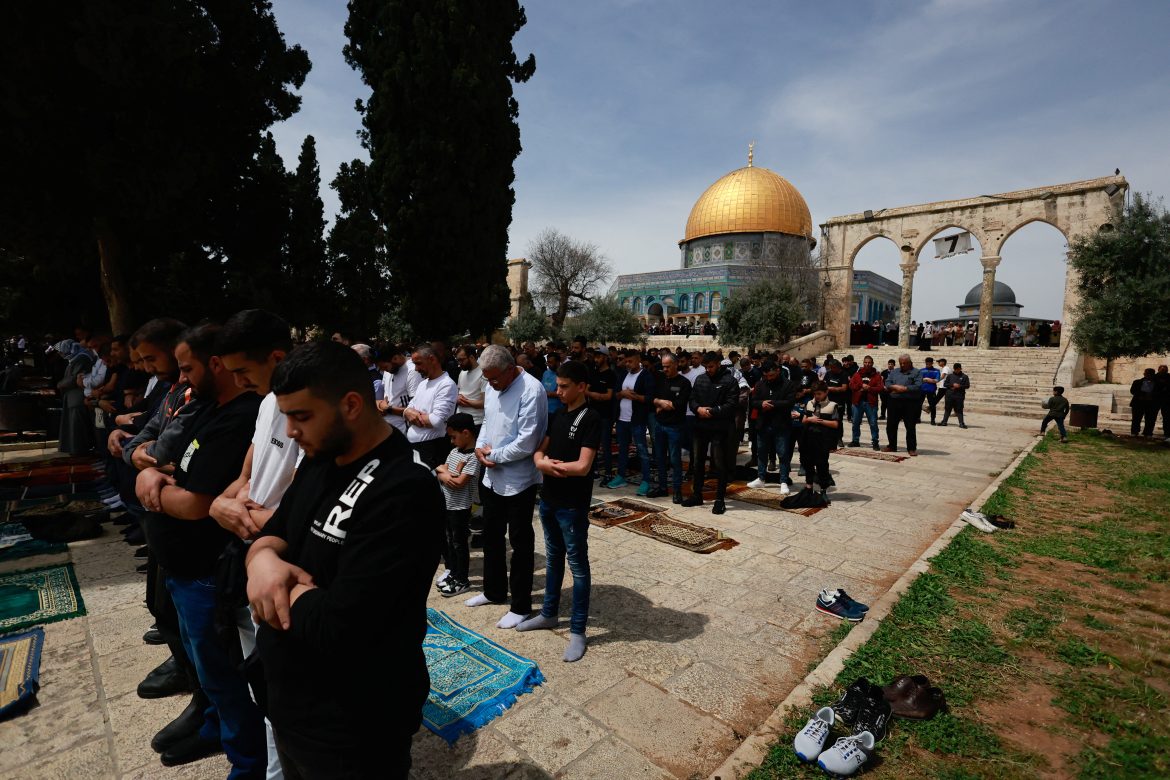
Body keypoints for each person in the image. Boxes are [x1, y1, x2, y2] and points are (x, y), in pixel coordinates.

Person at [246, 341, 442, 779]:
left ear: (351, 404)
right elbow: (277, 530)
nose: (291, 431)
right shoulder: (321, 458)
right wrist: (262, 559)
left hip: (353, 726)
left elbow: (341, 626)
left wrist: (277, 583)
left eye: (301, 416)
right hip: (290, 703)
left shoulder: (405, 488)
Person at [135, 324, 266, 775]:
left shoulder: (241, 415)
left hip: (207, 571)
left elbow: (197, 505)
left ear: (215, 365)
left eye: (187, 367)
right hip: (181, 567)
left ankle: (247, 762)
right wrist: (155, 471)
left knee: (225, 674)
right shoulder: (207, 407)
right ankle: (213, 726)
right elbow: (166, 458)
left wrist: (148, 485)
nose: (182, 377)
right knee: (202, 666)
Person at [208, 309, 298, 780]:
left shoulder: (305, 409)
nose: (239, 382)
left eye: (244, 371)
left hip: (283, 562)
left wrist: (249, 519)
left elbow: (308, 505)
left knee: (286, 690)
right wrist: (226, 501)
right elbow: (251, 469)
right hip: (251, 553)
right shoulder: (267, 403)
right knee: (260, 683)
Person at [517, 360, 600, 662]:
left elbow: (583, 466)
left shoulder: (590, 417)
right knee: (554, 558)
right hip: (549, 499)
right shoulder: (558, 415)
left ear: (581, 386)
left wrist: (550, 466)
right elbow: (541, 448)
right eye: (558, 385)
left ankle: (578, 630)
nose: (558, 391)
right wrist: (540, 462)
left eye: (565, 386)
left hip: (572, 505)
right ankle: (549, 613)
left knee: (577, 566)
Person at [467, 344, 548, 629]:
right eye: (486, 378)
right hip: (491, 475)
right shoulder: (492, 386)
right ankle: (493, 591)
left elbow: (527, 441)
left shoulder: (531, 390)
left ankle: (521, 605)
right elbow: (487, 422)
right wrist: (479, 448)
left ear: (510, 369)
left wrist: (494, 456)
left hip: (519, 479)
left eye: (494, 378)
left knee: (520, 542)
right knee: (491, 536)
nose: (490, 384)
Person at [682, 352, 739, 515]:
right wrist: (698, 409)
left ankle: (719, 499)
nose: (709, 370)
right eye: (706, 367)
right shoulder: (701, 379)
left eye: (711, 366)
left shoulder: (730, 381)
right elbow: (692, 400)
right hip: (701, 426)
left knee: (719, 464)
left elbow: (731, 405)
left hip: (720, 428)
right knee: (698, 462)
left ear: (718, 364)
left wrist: (713, 411)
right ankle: (696, 494)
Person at [435, 413, 480, 598]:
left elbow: (459, 482)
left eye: (454, 437)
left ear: (466, 433)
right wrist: (446, 474)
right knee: (450, 541)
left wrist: (445, 474)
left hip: (460, 507)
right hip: (447, 504)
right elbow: (440, 468)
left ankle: (463, 579)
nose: (452, 442)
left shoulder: (473, 456)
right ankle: (453, 573)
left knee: (460, 543)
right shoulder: (455, 452)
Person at [404, 344, 459, 468]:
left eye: (418, 363)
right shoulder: (422, 384)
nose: (416, 369)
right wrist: (408, 413)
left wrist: (412, 415)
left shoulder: (446, 385)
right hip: (415, 447)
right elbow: (408, 409)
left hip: (431, 449)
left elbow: (436, 421)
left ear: (432, 359)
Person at [609, 350, 654, 495]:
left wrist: (634, 397)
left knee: (641, 450)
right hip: (622, 419)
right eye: (626, 361)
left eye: (630, 361)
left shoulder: (645, 376)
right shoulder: (623, 375)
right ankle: (621, 476)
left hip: (637, 420)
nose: (627, 364)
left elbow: (649, 398)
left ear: (638, 360)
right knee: (623, 448)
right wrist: (623, 394)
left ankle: (646, 480)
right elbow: (615, 394)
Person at [748, 359, 796, 492]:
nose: (769, 378)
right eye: (767, 376)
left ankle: (784, 481)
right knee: (762, 452)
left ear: (778, 371)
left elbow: (790, 402)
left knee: (783, 453)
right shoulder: (760, 384)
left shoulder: (788, 385)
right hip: (763, 424)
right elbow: (753, 401)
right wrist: (761, 404)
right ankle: (761, 478)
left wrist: (772, 404)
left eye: (772, 375)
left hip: (781, 424)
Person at [649, 352, 691, 502]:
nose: (665, 369)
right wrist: (661, 403)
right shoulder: (660, 379)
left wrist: (663, 404)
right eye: (663, 366)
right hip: (659, 425)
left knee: (675, 460)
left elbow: (679, 405)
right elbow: (651, 398)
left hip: (675, 427)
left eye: (667, 366)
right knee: (660, 458)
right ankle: (662, 487)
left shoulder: (684, 383)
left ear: (676, 365)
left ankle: (677, 490)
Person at [796, 382, 839, 496]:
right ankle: (809, 487)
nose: (817, 396)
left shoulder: (832, 405)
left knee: (822, 465)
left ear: (826, 392)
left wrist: (820, 421)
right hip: (808, 438)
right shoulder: (809, 403)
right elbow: (804, 420)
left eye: (819, 394)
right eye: (815, 394)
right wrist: (810, 419)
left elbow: (835, 424)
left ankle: (823, 489)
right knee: (808, 463)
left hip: (822, 440)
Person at [586, 350, 617, 482]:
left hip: (605, 415)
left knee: (605, 444)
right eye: (595, 357)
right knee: (592, 443)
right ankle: (594, 470)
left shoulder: (610, 375)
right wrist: (597, 396)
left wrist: (594, 395)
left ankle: (609, 472)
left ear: (604, 358)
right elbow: (585, 390)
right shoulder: (593, 373)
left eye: (598, 357)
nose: (596, 359)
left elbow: (608, 396)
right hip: (593, 413)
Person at [883, 354, 923, 456]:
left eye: (904, 363)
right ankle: (892, 445)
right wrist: (894, 386)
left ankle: (911, 448)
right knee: (891, 425)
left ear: (910, 363)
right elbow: (887, 382)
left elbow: (918, 386)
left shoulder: (917, 372)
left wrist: (905, 389)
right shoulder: (894, 371)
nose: (902, 365)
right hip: (894, 401)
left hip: (909, 402)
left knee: (910, 426)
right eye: (901, 363)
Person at [847, 355, 884, 450]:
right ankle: (855, 440)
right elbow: (851, 385)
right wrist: (861, 386)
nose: (867, 364)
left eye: (869, 362)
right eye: (865, 362)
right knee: (855, 422)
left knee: (873, 423)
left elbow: (880, 388)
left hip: (870, 403)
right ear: (863, 363)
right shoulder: (857, 374)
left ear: (872, 363)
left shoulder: (877, 375)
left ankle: (875, 441)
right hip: (857, 402)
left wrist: (869, 388)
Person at [454, 346, 487, 426]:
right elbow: (458, 393)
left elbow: (484, 403)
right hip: (459, 419)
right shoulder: (462, 372)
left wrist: (466, 402)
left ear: (471, 357)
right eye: (457, 360)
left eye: (461, 360)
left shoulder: (484, 374)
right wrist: (457, 398)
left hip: (476, 422)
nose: (459, 363)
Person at [1130, 368, 1159, 437]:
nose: (1148, 375)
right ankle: (1134, 432)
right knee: (1136, 418)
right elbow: (1133, 391)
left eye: (1150, 374)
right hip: (1138, 403)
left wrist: (1152, 396)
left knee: (1150, 419)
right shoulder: (1137, 382)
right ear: (1144, 374)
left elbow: (1159, 393)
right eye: (1147, 373)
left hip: (1151, 403)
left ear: (1153, 374)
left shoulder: (1157, 383)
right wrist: (1141, 395)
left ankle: (1148, 433)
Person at [939, 362, 970, 428]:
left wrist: (959, 386)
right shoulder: (950, 376)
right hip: (949, 395)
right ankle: (944, 421)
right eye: (956, 369)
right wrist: (952, 385)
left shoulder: (964, 376)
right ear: (954, 369)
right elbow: (945, 384)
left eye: (958, 369)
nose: (957, 370)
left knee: (959, 409)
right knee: (947, 409)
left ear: (960, 369)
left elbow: (967, 386)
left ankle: (961, 423)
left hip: (959, 395)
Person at [542, 349, 564, 423]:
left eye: (550, 362)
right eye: (547, 362)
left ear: (558, 362)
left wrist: (549, 393)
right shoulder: (546, 373)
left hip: (557, 410)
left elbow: (564, 393)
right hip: (545, 410)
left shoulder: (564, 374)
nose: (548, 364)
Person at [920, 356, 942, 425]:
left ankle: (933, 419)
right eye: (927, 363)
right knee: (918, 404)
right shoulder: (921, 370)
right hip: (922, 389)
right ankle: (917, 418)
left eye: (929, 363)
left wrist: (926, 379)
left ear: (932, 363)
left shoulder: (936, 370)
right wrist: (930, 380)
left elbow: (937, 380)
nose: (928, 364)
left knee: (932, 405)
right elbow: (919, 379)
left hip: (931, 390)